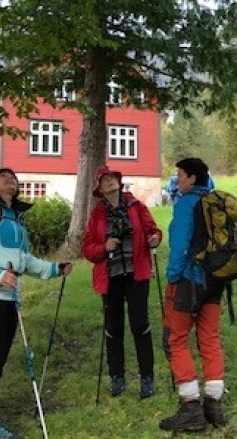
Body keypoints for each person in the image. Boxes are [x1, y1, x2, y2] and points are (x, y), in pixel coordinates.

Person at [0, 168, 73, 439]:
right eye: (3, 177)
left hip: (8, 297)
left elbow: (25, 259)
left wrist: (54, 269)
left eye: (13, 178)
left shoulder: (17, 219)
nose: (10, 179)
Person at [82, 166, 163, 399]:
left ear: (118, 182)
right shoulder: (97, 214)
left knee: (140, 325)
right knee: (114, 328)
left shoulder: (136, 206)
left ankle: (147, 377)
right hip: (111, 277)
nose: (110, 182)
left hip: (137, 274)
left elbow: (153, 230)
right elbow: (87, 248)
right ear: (100, 189)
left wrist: (155, 239)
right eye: (104, 180)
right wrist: (103, 247)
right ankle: (117, 377)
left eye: (112, 179)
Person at [159, 157, 227, 432]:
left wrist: (173, 276)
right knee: (209, 338)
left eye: (180, 175)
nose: (177, 180)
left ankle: (190, 408)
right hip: (216, 281)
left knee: (175, 340)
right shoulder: (216, 202)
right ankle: (214, 404)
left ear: (191, 178)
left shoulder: (186, 204)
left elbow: (179, 246)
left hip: (188, 281)